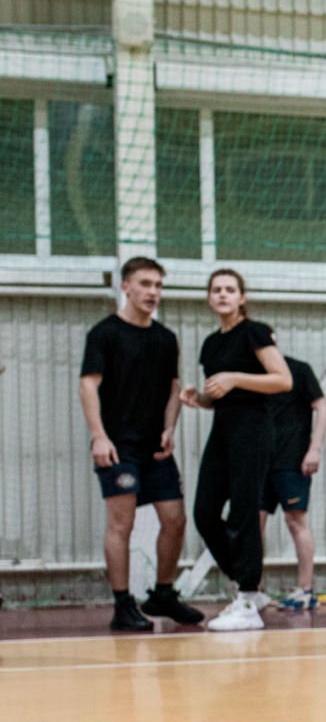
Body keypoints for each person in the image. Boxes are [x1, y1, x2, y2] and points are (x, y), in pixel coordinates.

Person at [78, 257, 202, 632]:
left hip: (155, 449)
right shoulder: (104, 334)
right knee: (122, 523)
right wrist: (99, 436)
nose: (153, 292)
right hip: (119, 447)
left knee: (175, 520)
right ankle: (122, 605)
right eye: (145, 284)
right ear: (126, 287)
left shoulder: (165, 338)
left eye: (158, 285)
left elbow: (173, 388)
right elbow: (88, 385)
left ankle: (163, 594)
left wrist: (170, 427)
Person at [179, 269, 292, 632]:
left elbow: (283, 380)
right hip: (223, 428)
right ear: (209, 297)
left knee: (244, 510)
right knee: (204, 511)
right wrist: (201, 399)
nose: (223, 294)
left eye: (230, 289)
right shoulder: (211, 344)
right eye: (216, 289)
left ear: (241, 297)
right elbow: (221, 396)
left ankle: (246, 598)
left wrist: (234, 378)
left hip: (253, 429)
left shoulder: (254, 332)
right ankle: (250, 586)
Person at [259, 353, 326, 611]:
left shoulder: (298, 369)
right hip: (258, 461)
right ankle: (252, 590)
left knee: (296, 520)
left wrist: (315, 448)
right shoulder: (251, 375)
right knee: (253, 524)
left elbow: (322, 407)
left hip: (291, 459)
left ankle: (305, 590)